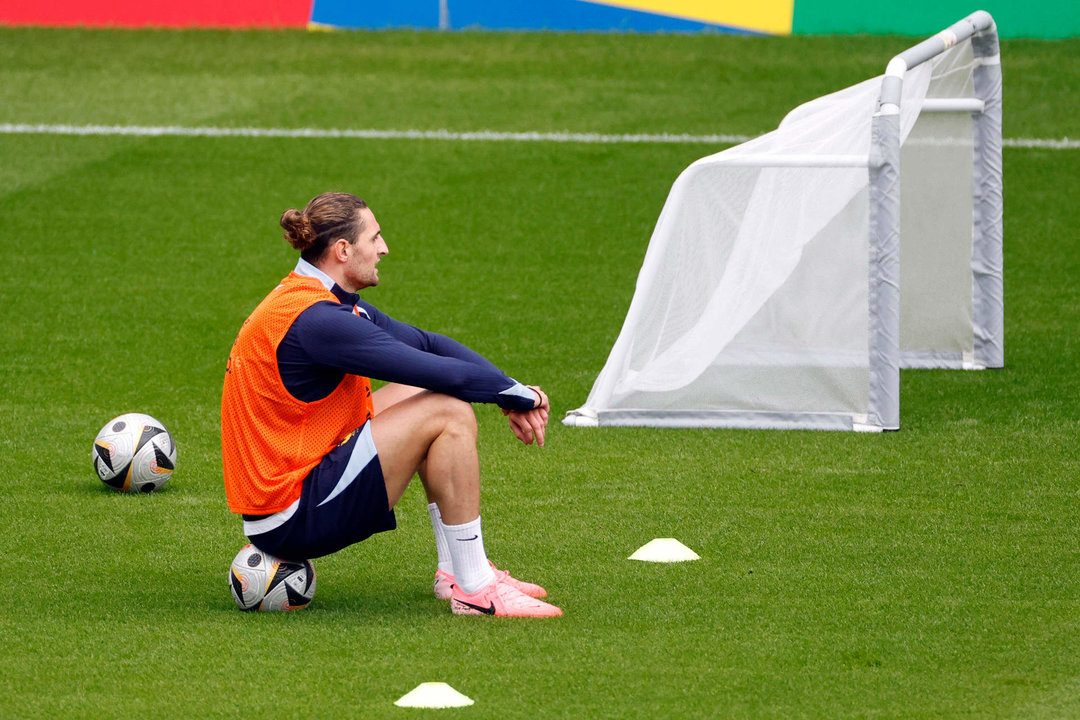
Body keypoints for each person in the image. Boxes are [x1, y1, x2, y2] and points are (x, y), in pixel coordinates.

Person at [221, 191, 561, 618]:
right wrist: (524, 397)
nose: (384, 248)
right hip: (291, 517)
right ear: (343, 250)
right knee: (448, 409)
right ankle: (476, 590)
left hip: (294, 484)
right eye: (375, 238)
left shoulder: (316, 301)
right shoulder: (319, 321)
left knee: (433, 397)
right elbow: (437, 370)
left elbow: (429, 344)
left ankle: (455, 571)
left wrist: (509, 387)